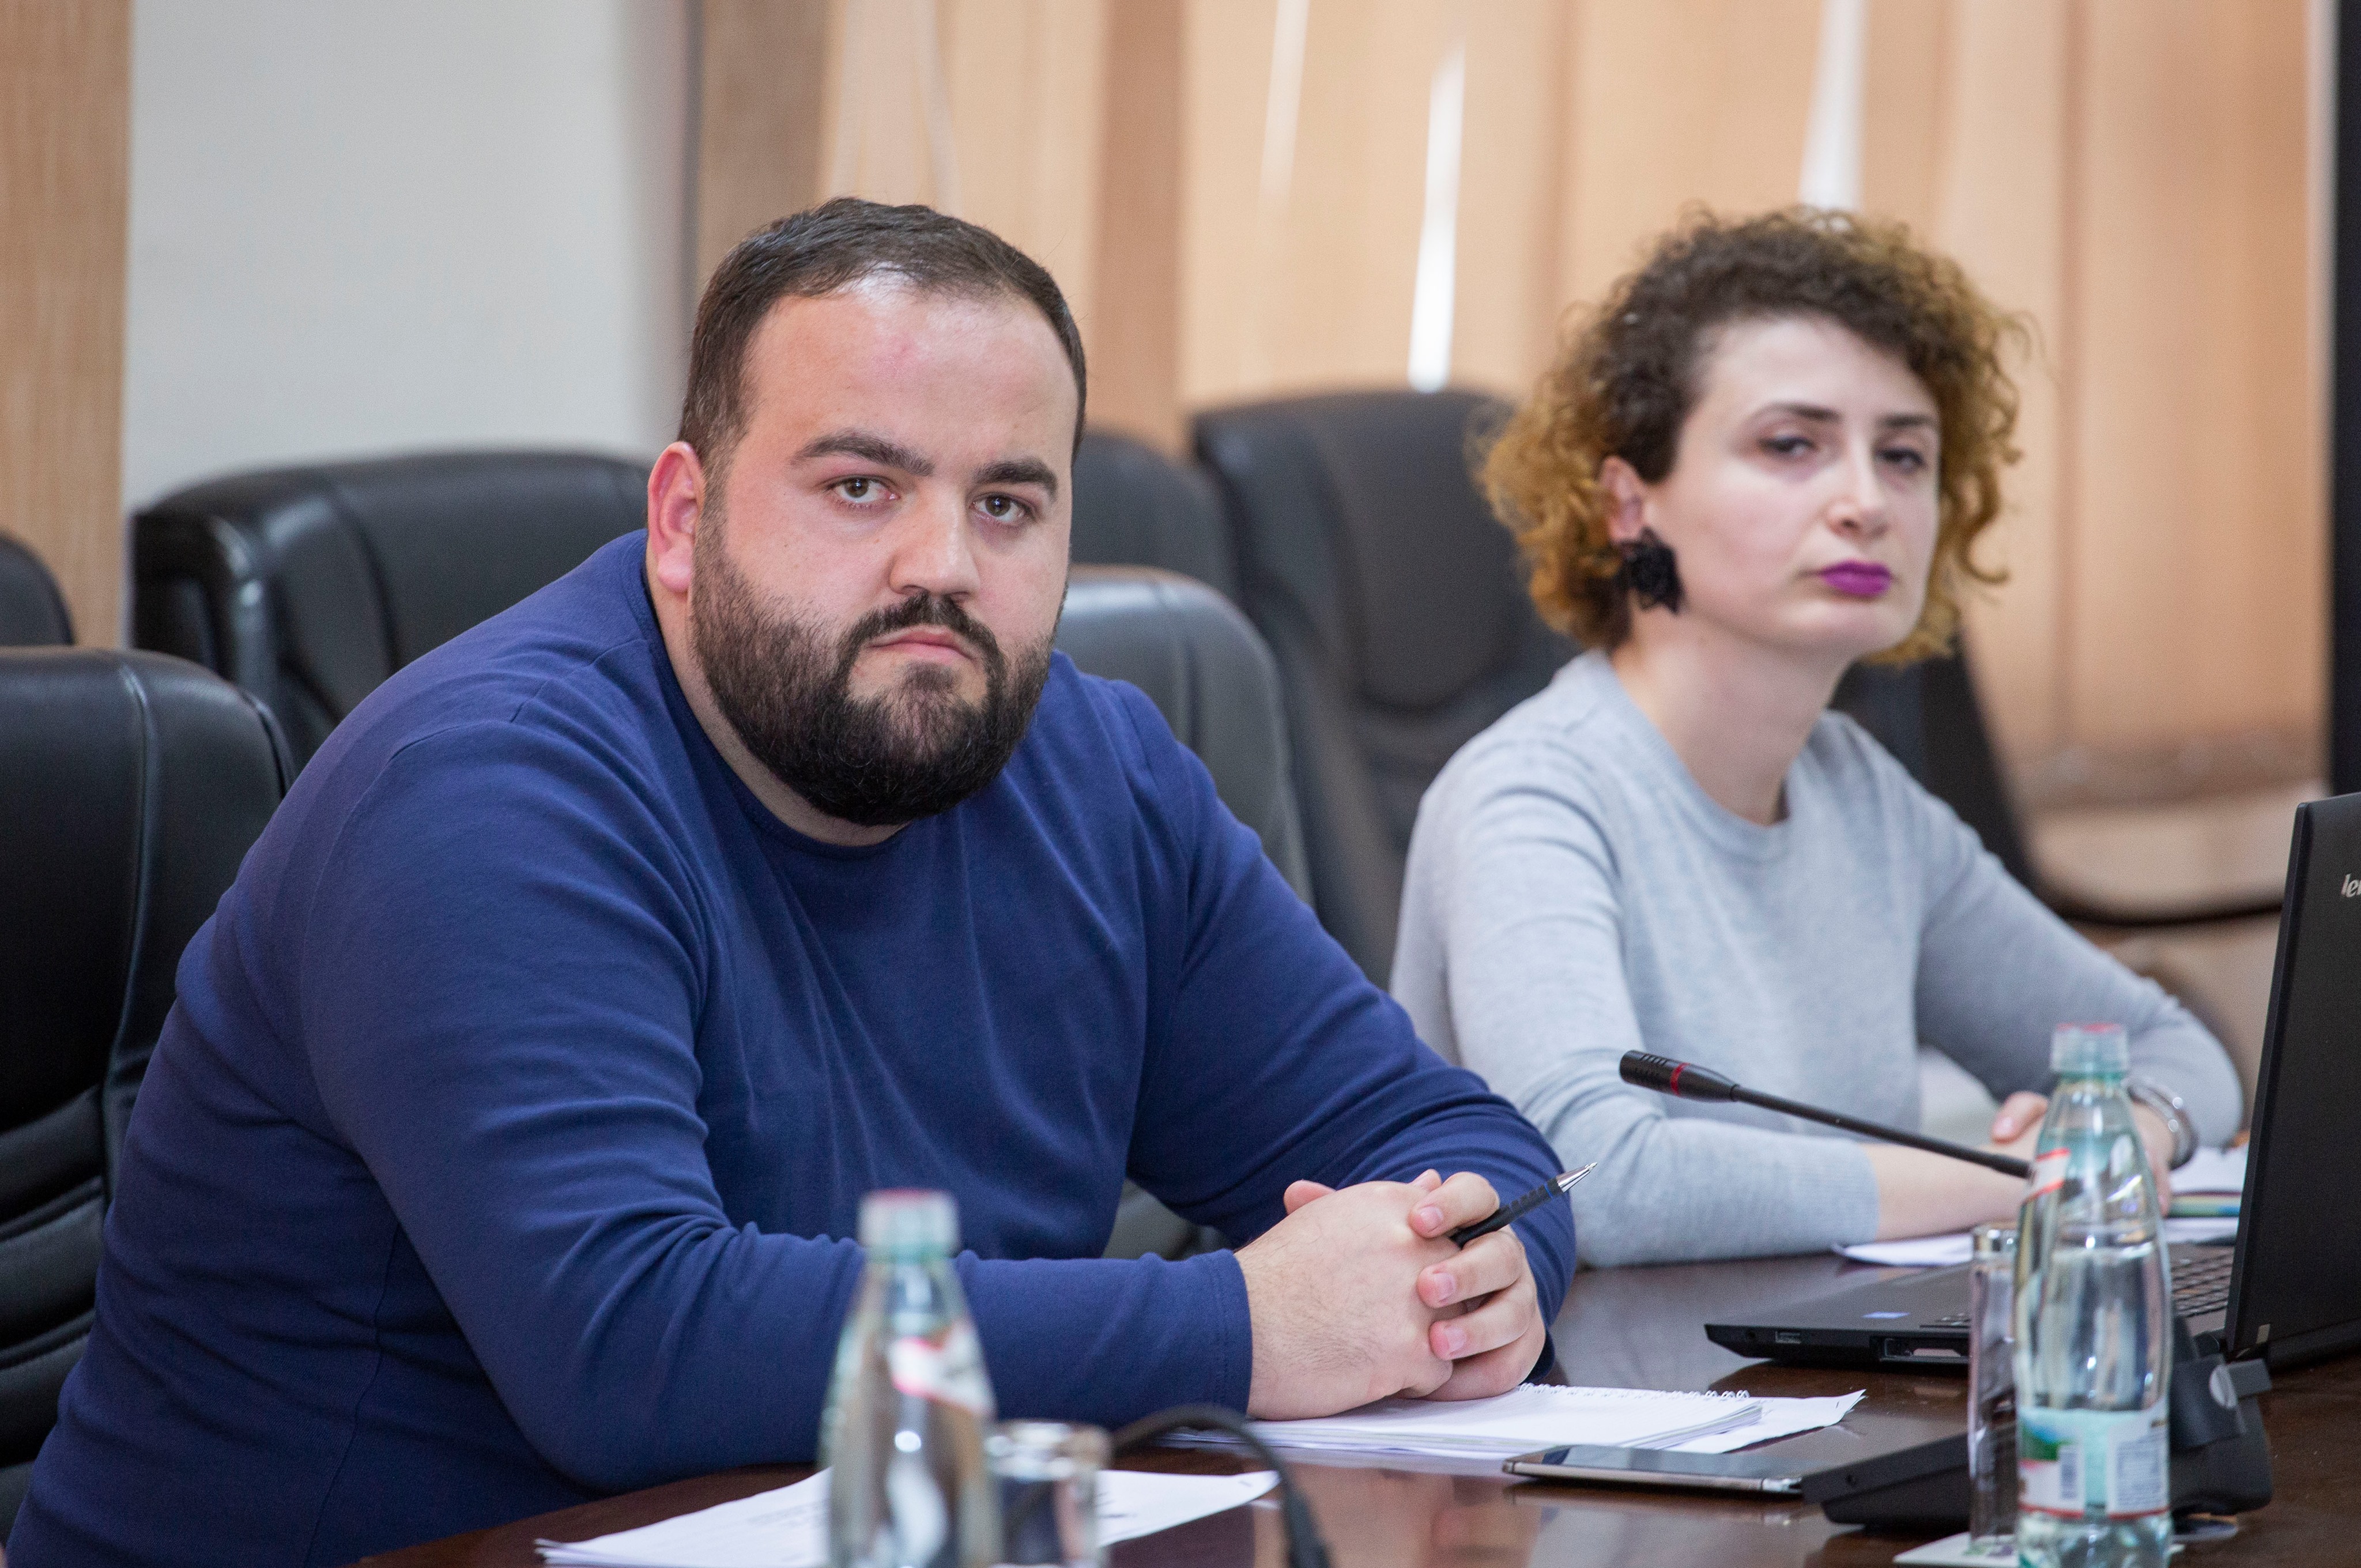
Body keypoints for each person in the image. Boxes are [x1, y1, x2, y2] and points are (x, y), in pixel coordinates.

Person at [11, 200, 1573, 1567]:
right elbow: (630, 1346)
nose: (941, 564)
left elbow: (1459, 1146)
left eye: (1007, 503)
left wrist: (1475, 1273)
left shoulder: (1092, 764)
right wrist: (1248, 1326)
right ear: (684, 521)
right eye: (860, 487)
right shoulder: (483, 789)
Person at [1390, 208, 2239, 1269]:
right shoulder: (1527, 795)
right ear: (1629, 504)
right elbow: (1591, 1177)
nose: (1865, 502)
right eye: (1791, 445)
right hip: (1615, 1371)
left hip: (1837, 1359)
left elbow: (2172, 1051)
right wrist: (2021, 1177)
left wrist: (2128, 1133)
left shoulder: (1859, 794)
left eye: (1904, 455)